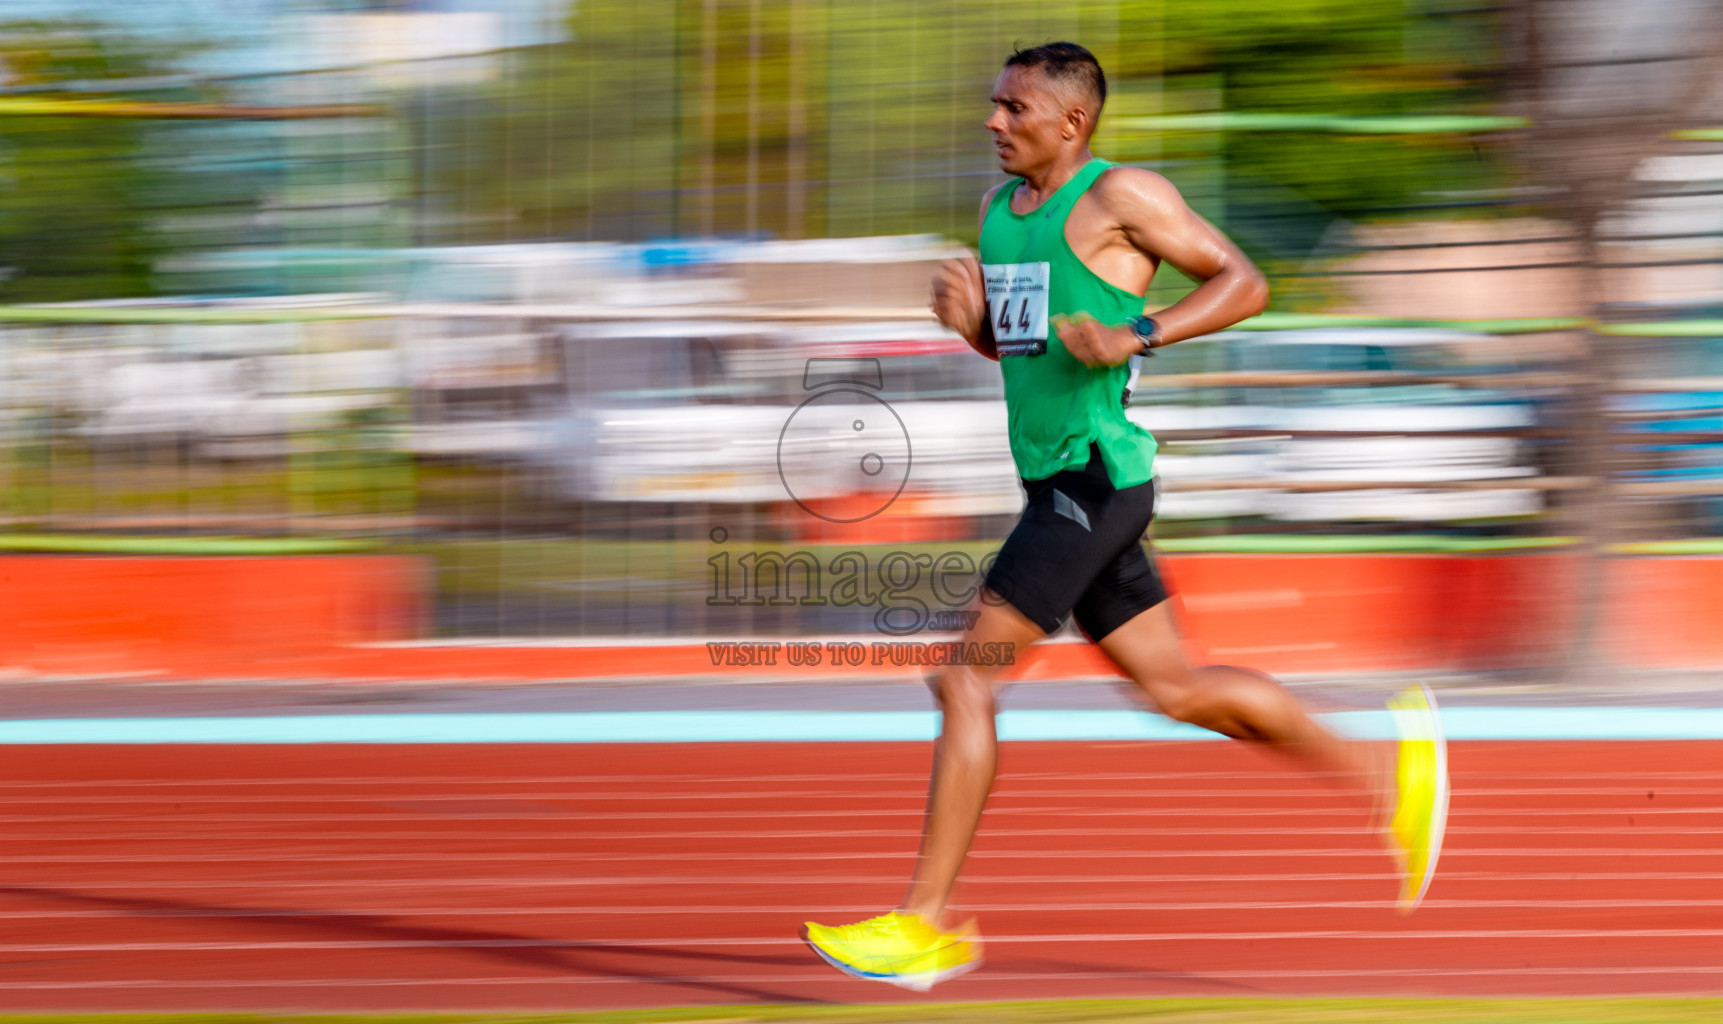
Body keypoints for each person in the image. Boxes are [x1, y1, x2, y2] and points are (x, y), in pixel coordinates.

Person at [800, 41, 1447, 992]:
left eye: (1013, 108)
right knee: (1176, 692)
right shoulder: (996, 212)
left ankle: (925, 927)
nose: (992, 122)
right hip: (1058, 481)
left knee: (964, 679)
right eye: (992, 105)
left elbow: (1244, 280)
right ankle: (1389, 774)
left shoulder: (1120, 198)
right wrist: (972, 326)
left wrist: (1136, 331)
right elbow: (1028, 352)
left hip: (1094, 478)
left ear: (1071, 122)